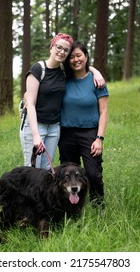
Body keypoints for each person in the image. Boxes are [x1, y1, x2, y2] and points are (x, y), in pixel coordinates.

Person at [20, 33, 105, 169]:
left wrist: (96, 72)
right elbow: (30, 103)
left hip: (54, 127)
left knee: (48, 169)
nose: (61, 52)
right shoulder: (38, 69)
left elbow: (82, 68)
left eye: (66, 50)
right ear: (51, 47)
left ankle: (45, 192)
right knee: (33, 168)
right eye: (58, 47)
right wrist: (36, 135)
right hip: (36, 126)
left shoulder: (63, 71)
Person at [58, 41, 109, 208]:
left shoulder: (97, 82)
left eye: (79, 55)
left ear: (86, 57)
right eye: (71, 57)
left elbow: (104, 112)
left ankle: (98, 208)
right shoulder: (64, 80)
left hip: (90, 134)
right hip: (66, 135)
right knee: (68, 175)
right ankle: (71, 209)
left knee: (93, 174)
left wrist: (99, 138)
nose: (75, 60)